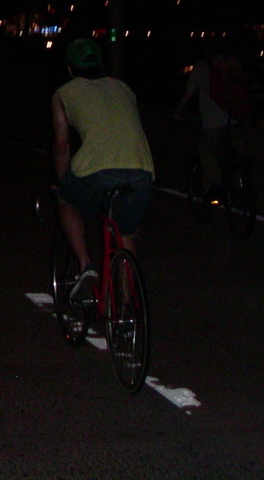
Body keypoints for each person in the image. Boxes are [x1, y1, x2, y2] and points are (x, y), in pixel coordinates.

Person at [51, 38, 154, 303]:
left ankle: (86, 266)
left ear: (70, 69)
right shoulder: (123, 88)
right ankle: (126, 304)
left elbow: (62, 146)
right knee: (125, 230)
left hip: (96, 169)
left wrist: (63, 182)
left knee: (65, 200)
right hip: (142, 170)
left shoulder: (65, 92)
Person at [173, 43, 251, 201]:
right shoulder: (233, 62)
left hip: (213, 121)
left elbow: (189, 92)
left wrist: (177, 112)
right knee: (236, 149)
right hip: (236, 117)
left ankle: (215, 187)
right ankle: (240, 182)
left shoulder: (202, 66)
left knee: (207, 151)